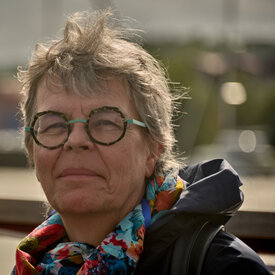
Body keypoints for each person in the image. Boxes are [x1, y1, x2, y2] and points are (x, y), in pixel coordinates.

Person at [12, 10, 271, 275]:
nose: (76, 140)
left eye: (105, 123)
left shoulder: (227, 268)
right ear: (32, 148)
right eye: (54, 124)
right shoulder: (36, 262)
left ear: (153, 149)